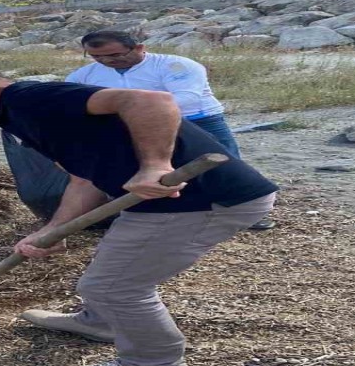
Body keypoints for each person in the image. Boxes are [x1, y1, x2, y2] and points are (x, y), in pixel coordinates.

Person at [0, 64, 278, 366]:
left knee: (115, 285)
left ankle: (155, 363)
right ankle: (100, 322)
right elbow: (86, 179)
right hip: (163, 202)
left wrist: (154, 166)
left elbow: (151, 101)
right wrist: (55, 229)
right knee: (113, 269)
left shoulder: (31, 99)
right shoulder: (21, 112)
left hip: (202, 199)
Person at [67, 30, 274, 231]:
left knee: (225, 167)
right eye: (96, 57)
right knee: (140, 170)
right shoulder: (84, 75)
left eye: (115, 55)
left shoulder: (177, 66)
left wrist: (134, 111)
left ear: (138, 48)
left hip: (196, 120)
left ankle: (247, 215)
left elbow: (186, 97)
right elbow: (70, 100)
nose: (107, 61)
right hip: (132, 126)